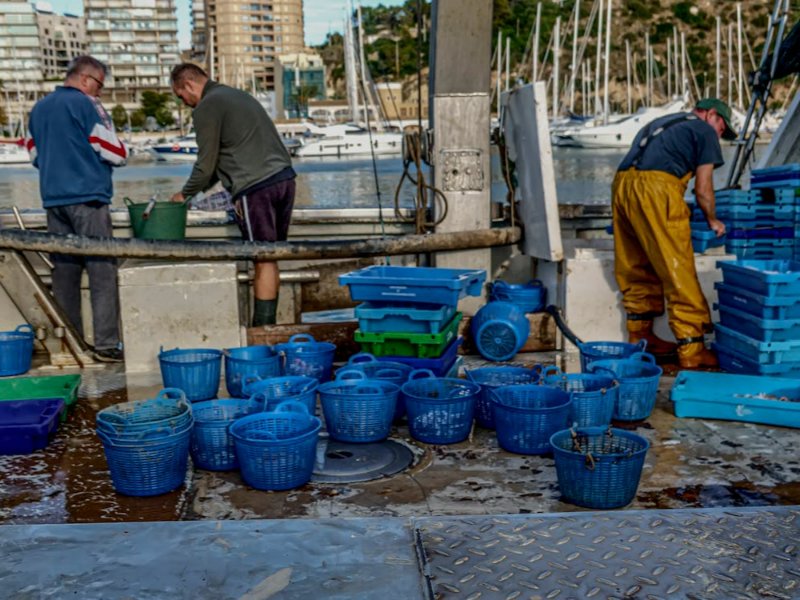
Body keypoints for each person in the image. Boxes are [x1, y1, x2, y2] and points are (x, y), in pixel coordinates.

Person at [612, 98, 736, 369]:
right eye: (721, 128)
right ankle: (692, 349)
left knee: (636, 263)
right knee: (678, 268)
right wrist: (713, 220)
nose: (719, 136)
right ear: (711, 114)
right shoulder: (704, 131)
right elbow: (703, 189)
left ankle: (640, 335)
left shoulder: (659, 123)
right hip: (657, 188)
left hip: (622, 186)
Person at [169, 63, 295, 327]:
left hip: (255, 187)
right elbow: (219, 162)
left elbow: (205, 165)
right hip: (284, 179)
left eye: (181, 96)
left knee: (263, 259)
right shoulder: (236, 95)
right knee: (272, 256)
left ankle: (261, 331)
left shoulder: (207, 106)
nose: (185, 103)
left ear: (189, 84)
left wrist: (184, 195)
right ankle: (268, 329)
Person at [26, 55, 128, 363]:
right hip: (89, 197)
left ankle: (71, 344)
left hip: (54, 201)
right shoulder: (86, 105)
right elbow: (114, 152)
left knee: (65, 275)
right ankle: (107, 345)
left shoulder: (39, 108)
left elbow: (33, 154)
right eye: (100, 86)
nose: (100, 92)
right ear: (87, 79)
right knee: (102, 271)